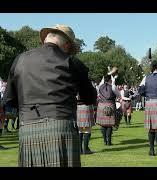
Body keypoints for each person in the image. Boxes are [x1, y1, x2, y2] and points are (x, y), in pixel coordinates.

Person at [3, 24, 97, 167]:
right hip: (61, 125)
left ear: (46, 40)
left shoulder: (20, 60)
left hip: (27, 127)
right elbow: (89, 97)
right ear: (66, 44)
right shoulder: (72, 62)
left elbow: (9, 100)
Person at [138, 60, 157, 156]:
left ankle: (151, 150)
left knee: (151, 129)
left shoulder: (145, 77)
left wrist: (146, 94)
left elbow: (140, 90)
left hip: (148, 102)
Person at [96, 69, 121, 146]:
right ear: (110, 79)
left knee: (103, 124)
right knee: (109, 124)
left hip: (101, 106)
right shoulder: (113, 87)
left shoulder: (99, 86)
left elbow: (98, 93)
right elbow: (119, 96)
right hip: (110, 105)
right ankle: (109, 142)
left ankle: (104, 141)